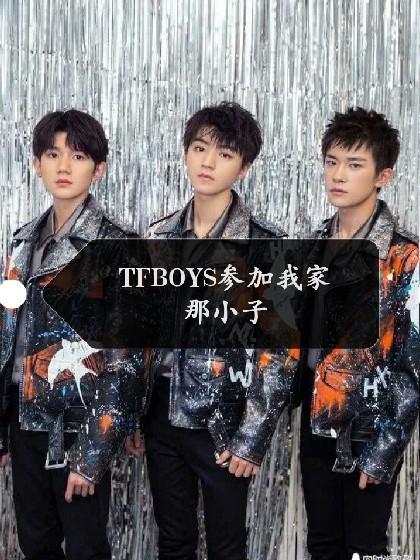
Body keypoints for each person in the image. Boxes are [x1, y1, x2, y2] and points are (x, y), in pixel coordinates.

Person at [126, 101, 294, 560]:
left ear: (244, 167)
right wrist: (133, 413)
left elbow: (279, 353)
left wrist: (252, 439)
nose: (208, 162)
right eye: (200, 148)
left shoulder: (266, 245)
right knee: (172, 540)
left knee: (226, 544)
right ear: (186, 153)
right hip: (161, 412)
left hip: (226, 418)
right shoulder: (159, 237)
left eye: (224, 154)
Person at [0, 109, 136, 560]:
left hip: (79, 424)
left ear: (99, 169)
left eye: (77, 156)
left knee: (85, 547)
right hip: (24, 420)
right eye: (53, 154)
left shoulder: (116, 247)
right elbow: (7, 341)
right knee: (35, 543)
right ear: (36, 163)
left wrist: (94, 452)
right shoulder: (22, 243)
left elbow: (126, 363)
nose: (63, 166)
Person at [297, 107, 419, 559]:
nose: (338, 175)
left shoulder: (406, 257)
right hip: (316, 418)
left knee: (365, 547)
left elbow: (413, 369)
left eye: (354, 164)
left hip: (372, 425)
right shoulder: (310, 247)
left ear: (383, 176)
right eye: (331, 162)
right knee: (322, 543)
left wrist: (385, 448)